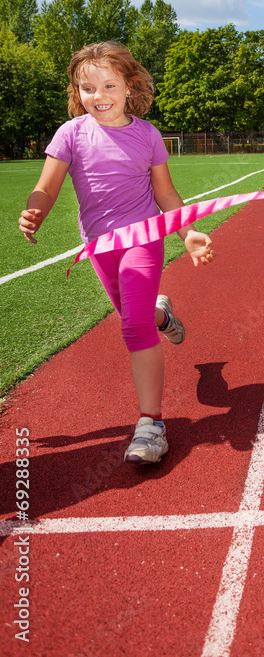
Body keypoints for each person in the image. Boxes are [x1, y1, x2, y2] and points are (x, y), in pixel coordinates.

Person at [18, 41, 215, 465]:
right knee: (136, 316)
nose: (99, 96)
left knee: (132, 330)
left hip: (144, 237)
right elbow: (47, 186)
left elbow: (165, 192)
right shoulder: (70, 133)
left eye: (109, 84)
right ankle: (162, 314)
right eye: (87, 88)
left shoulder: (147, 135)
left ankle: (152, 425)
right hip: (99, 244)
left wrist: (188, 233)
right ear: (77, 92)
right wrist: (35, 211)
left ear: (130, 86)